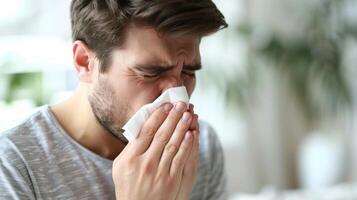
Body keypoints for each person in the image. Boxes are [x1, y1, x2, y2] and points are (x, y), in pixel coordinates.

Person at [0, 0, 228, 199]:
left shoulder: (202, 146)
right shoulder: (14, 165)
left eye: (189, 72)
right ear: (84, 62)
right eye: (150, 73)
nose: (178, 96)